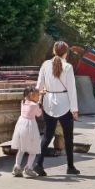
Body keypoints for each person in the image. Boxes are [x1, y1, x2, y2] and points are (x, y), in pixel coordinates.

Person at [33, 41, 80, 177]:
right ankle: (70, 166)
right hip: (64, 103)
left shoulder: (45, 65)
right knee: (68, 137)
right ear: (66, 52)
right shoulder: (68, 67)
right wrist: (74, 109)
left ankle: (38, 163)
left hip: (49, 102)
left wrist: (38, 101)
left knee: (47, 135)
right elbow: (72, 90)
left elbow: (39, 86)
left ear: (54, 51)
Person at [11, 87, 44, 178]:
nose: (39, 97)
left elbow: (30, 99)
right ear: (32, 96)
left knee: (21, 149)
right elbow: (39, 114)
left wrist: (38, 94)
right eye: (38, 96)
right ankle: (28, 168)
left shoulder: (23, 102)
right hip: (31, 127)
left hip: (21, 125)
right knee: (33, 149)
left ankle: (17, 166)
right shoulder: (34, 105)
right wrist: (39, 104)